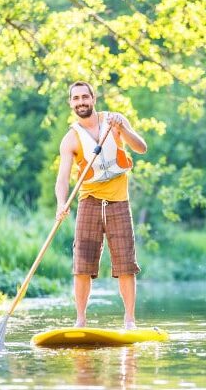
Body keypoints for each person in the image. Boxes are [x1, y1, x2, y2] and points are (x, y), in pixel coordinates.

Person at [55, 81, 147, 329]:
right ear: (71, 103)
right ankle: (81, 321)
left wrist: (123, 129)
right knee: (82, 265)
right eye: (76, 98)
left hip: (119, 200)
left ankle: (129, 320)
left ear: (93, 98)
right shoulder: (70, 139)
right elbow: (62, 178)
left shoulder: (114, 121)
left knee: (125, 265)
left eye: (85, 97)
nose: (81, 102)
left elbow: (141, 148)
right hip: (89, 202)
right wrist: (61, 204)